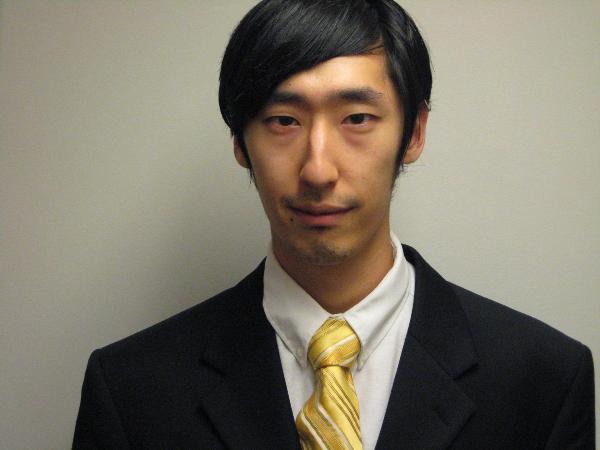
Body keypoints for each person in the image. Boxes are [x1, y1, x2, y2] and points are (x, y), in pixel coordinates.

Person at [73, 0, 595, 448]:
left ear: (414, 132)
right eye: (284, 121)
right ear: (239, 142)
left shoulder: (544, 380)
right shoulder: (130, 390)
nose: (318, 170)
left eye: (357, 119)